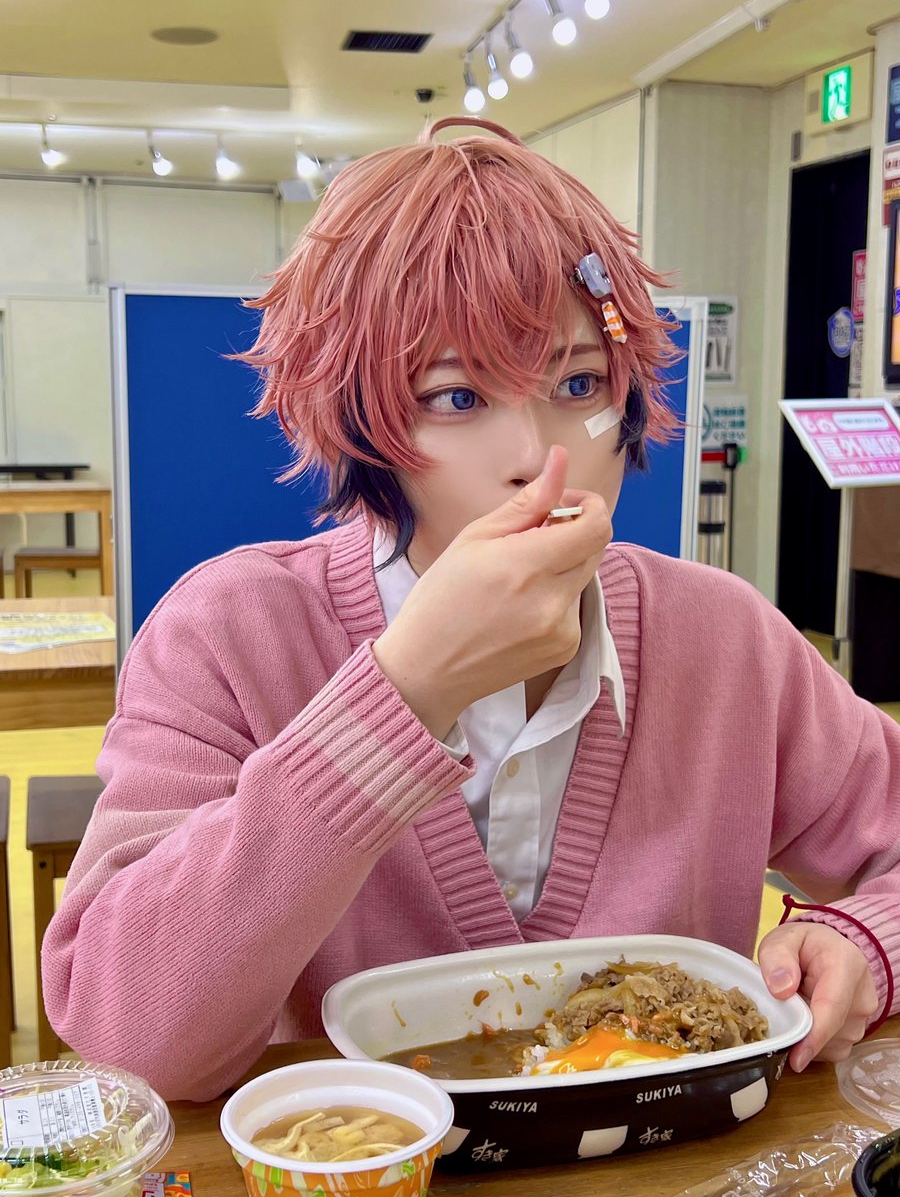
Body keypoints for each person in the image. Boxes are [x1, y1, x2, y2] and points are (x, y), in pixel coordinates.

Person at [43, 118, 899, 1102]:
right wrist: (404, 695)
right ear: (360, 423)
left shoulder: (724, 638)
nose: (536, 457)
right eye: (455, 397)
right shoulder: (231, 634)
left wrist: (866, 940)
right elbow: (128, 1038)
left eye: (578, 383)